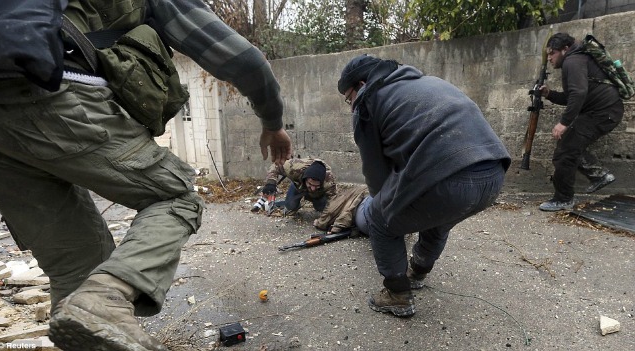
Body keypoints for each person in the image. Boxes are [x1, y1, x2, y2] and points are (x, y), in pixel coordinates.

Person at [0, 1, 291, 350]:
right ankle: (104, 301)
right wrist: (272, 122)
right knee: (175, 194)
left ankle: (96, 309)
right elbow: (242, 60)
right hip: (48, 92)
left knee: (80, 266)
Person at [337, 54, 510, 317]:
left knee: (380, 219)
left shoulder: (368, 100)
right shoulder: (427, 82)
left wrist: (385, 209)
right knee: (435, 214)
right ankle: (417, 271)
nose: (351, 106)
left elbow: (376, 173)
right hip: (494, 174)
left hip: (449, 177)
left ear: (361, 84)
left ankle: (397, 294)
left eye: (349, 98)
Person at [538, 32, 623, 212]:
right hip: (605, 111)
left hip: (602, 112)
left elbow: (578, 94)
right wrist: (549, 94)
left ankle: (563, 199)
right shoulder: (576, 60)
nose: (550, 58)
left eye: (552, 53)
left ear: (565, 49)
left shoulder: (573, 61)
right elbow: (572, 97)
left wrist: (564, 122)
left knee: (564, 152)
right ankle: (599, 175)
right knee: (569, 147)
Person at [259, 158, 337, 218]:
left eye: (316, 185)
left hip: (319, 194)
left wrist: (324, 221)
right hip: (299, 187)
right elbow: (276, 165)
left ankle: (317, 200)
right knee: (290, 206)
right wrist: (271, 182)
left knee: (321, 208)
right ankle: (284, 203)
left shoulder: (329, 182)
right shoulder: (295, 168)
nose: (313, 188)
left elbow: (334, 203)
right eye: (310, 184)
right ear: (305, 178)